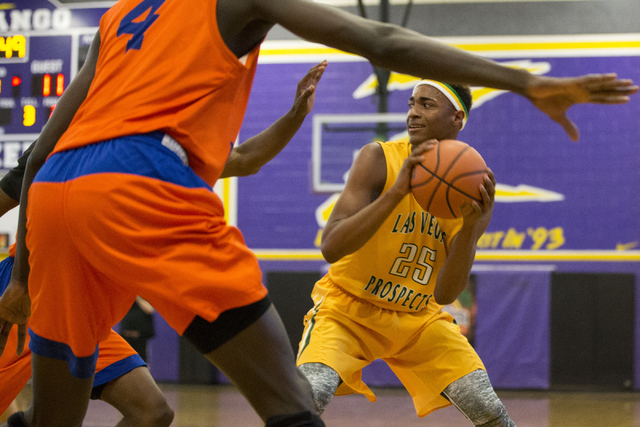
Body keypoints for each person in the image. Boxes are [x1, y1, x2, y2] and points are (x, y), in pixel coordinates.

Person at [0, 0, 635, 425]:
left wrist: (23, 275)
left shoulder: (120, 15)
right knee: (292, 404)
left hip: (55, 192)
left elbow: (37, 157)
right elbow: (381, 38)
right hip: (141, 185)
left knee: (57, 416)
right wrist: (524, 81)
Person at [296, 80, 513, 426]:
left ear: (457, 117)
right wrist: (397, 192)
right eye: (412, 103)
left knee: (487, 407)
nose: (413, 112)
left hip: (417, 316)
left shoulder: (471, 185)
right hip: (347, 309)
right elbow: (331, 246)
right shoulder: (378, 158)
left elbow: (445, 293)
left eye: (426, 105)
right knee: (306, 397)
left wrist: (471, 229)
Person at [0, 148, 174, 427]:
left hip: (81, 310)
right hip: (27, 292)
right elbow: (21, 176)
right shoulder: (66, 136)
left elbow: (241, 160)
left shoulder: (152, 146)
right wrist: (20, 280)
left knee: (152, 412)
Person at [120, 297, 156, 363]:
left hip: (140, 336)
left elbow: (149, 310)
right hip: (126, 334)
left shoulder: (144, 296)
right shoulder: (126, 296)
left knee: (141, 360)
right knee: (126, 360)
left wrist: (137, 296)